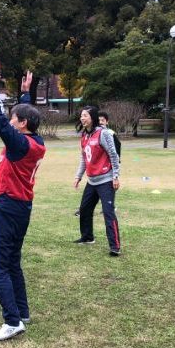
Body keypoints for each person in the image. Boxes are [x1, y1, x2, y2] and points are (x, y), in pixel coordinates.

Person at [0, 60, 46, 341]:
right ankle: (22, 312)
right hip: (21, 207)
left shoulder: (20, 143)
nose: (10, 122)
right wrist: (25, 95)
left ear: (21, 125)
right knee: (12, 262)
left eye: (15, 119)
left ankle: (12, 321)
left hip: (8, 206)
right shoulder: (36, 141)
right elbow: (27, 117)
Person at [73, 106, 121, 255]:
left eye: (85, 116)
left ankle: (115, 247)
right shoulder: (84, 136)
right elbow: (84, 158)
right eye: (81, 116)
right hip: (92, 181)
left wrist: (115, 176)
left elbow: (114, 155)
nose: (82, 118)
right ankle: (87, 237)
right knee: (85, 209)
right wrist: (78, 176)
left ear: (92, 118)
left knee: (108, 213)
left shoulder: (103, 133)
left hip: (106, 180)